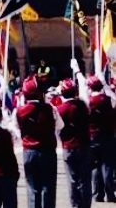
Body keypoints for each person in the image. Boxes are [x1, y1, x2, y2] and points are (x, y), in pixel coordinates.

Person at [16, 76, 58, 208]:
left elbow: (15, 129)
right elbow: (60, 126)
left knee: (32, 188)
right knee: (48, 187)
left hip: (29, 151)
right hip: (47, 151)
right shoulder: (50, 109)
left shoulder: (19, 111)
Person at [55, 78, 91, 208]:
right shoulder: (83, 106)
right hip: (84, 145)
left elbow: (57, 130)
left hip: (68, 147)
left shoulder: (59, 110)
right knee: (85, 179)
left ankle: (75, 205)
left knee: (72, 180)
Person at [87, 76, 116, 202]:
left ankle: (97, 194)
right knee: (107, 166)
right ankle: (110, 194)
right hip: (108, 136)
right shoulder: (108, 100)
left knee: (95, 167)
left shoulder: (88, 101)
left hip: (92, 137)